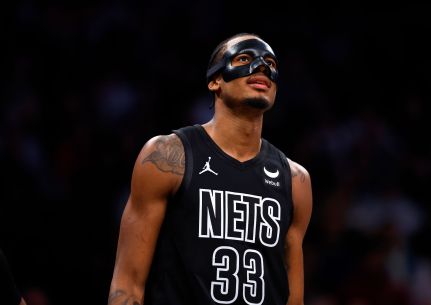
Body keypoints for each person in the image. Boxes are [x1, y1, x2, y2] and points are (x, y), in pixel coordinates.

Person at [108, 32, 313, 305]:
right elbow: (128, 284)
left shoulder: (295, 180)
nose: (262, 66)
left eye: (271, 64)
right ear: (215, 81)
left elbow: (294, 298)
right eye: (244, 58)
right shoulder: (168, 156)